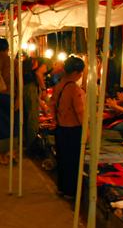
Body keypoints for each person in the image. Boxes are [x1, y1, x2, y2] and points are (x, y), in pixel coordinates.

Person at [49, 56, 86, 199]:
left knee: (63, 160)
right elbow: (80, 110)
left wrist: (54, 119)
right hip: (72, 129)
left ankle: (62, 188)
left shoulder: (58, 84)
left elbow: (52, 103)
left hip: (61, 128)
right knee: (73, 162)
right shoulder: (74, 88)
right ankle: (71, 192)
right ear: (76, 73)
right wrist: (86, 129)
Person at [23, 57, 51, 150]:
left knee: (26, 116)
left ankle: (27, 141)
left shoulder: (41, 60)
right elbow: (38, 73)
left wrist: (44, 109)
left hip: (24, 86)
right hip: (30, 86)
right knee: (32, 116)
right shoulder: (49, 62)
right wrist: (44, 90)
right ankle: (33, 145)